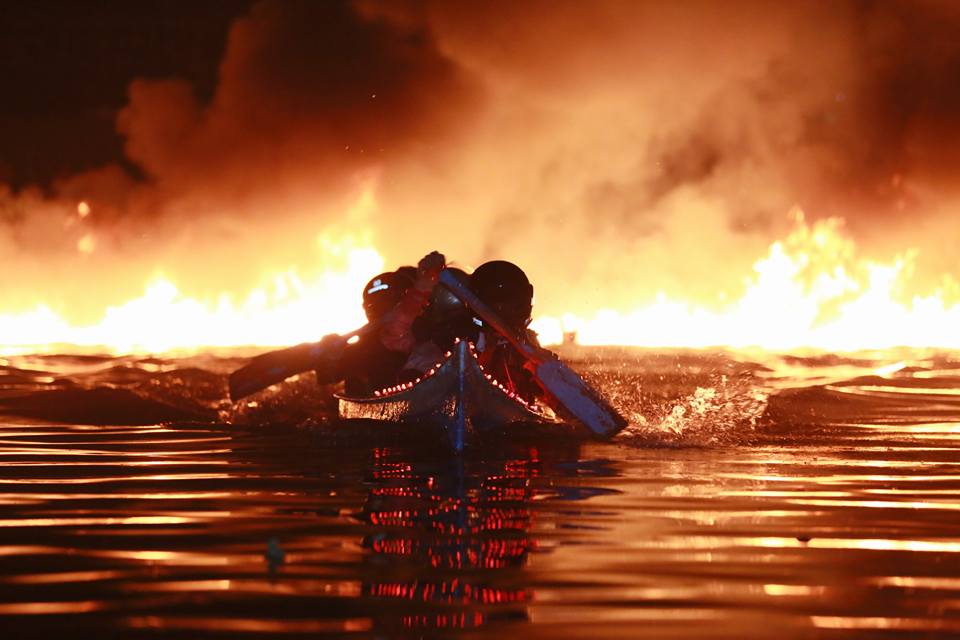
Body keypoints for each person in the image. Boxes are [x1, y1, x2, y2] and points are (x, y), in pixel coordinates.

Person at [317, 252, 445, 395]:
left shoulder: (435, 326)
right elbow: (327, 375)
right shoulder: (367, 346)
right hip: (396, 400)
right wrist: (329, 356)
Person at [468, 260, 545, 402]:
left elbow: (541, 389)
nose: (503, 310)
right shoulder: (469, 338)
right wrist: (490, 348)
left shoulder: (527, 341)